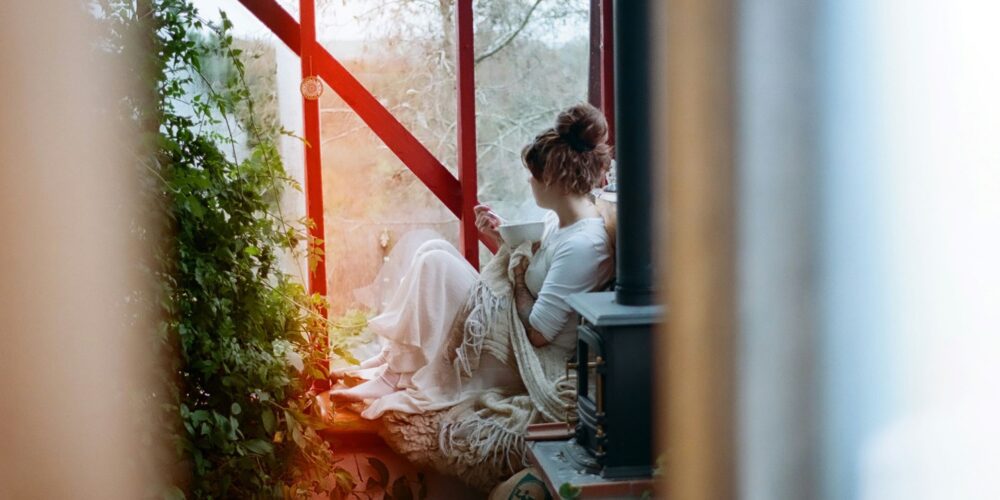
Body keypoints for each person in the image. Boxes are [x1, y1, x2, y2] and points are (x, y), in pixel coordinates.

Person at [330, 103, 615, 420]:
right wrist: (500, 239)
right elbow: (534, 274)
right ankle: (394, 362)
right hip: (513, 331)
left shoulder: (583, 245)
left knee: (436, 263)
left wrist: (518, 276)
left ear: (553, 179)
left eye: (533, 175)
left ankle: (395, 376)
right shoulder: (560, 222)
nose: (529, 183)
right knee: (431, 248)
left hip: (527, 359)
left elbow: (538, 334)